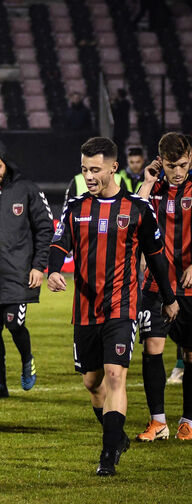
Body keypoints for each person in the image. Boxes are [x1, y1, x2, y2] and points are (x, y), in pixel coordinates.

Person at [48, 136, 178, 476]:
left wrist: (169, 298)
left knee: (115, 375)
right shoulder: (76, 208)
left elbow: (156, 258)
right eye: (84, 169)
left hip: (122, 306)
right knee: (93, 383)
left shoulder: (137, 209)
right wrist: (51, 272)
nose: (89, 176)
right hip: (85, 310)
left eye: (95, 169)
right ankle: (116, 435)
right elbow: (59, 246)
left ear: (113, 168)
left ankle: (108, 455)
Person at [0, 139, 54, 398]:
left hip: (18, 275)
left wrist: (39, 266)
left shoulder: (27, 190)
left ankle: (27, 360)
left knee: (14, 324)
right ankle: (0, 384)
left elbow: (45, 228)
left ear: (6, 162)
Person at [135, 132, 192, 442]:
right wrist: (147, 181)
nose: (178, 171)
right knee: (152, 347)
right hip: (156, 283)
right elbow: (130, 215)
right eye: (171, 165)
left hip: (189, 286)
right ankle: (158, 422)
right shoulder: (153, 189)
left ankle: (188, 421)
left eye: (183, 164)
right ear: (161, 162)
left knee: (191, 353)